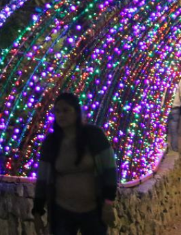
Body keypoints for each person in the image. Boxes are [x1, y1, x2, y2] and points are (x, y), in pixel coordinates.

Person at [32, 92, 118, 235]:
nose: (61, 115)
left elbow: (110, 170)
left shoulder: (94, 135)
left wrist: (108, 203)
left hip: (93, 210)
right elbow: (42, 179)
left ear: (77, 112)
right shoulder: (51, 142)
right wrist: (37, 212)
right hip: (62, 211)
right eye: (57, 111)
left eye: (66, 110)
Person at [167, 75, 181, 153]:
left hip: (164, 109)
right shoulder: (179, 81)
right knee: (174, 131)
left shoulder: (162, 80)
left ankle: (163, 148)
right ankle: (174, 149)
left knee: (163, 131)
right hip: (175, 108)